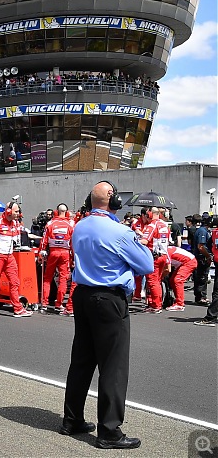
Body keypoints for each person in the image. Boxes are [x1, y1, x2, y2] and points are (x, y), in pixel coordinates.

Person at [62, 181, 153, 449]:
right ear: (111, 200)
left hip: (84, 295)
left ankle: (72, 419)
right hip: (110, 298)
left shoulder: (80, 226)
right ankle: (109, 431)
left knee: (81, 359)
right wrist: (139, 244)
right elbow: (146, 265)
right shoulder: (120, 231)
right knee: (113, 366)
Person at [0, 202, 33, 317]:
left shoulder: (15, 223)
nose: (18, 214)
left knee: (15, 282)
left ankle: (18, 308)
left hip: (9, 257)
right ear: (9, 211)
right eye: (16, 211)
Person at [39, 203, 75, 314]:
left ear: (56, 212)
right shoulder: (71, 224)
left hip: (53, 252)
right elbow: (73, 242)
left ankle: (44, 304)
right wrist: (73, 256)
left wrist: (42, 251)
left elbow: (44, 239)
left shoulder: (50, 223)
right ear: (67, 212)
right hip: (65, 253)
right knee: (63, 279)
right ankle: (59, 304)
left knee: (47, 278)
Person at [138, 207, 170, 313]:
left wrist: (134, 240)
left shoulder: (152, 225)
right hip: (163, 255)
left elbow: (144, 241)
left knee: (152, 281)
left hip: (154, 257)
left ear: (150, 214)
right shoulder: (164, 225)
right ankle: (155, 303)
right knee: (157, 281)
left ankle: (156, 305)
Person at [165, 245, 196, 311]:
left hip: (189, 262)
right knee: (172, 280)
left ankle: (180, 304)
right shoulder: (165, 249)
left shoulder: (166, 252)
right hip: (184, 262)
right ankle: (177, 300)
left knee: (178, 280)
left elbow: (168, 269)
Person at [193, 216, 212, 305]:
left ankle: (201, 296)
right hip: (201, 257)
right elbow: (200, 246)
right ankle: (201, 297)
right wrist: (208, 256)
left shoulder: (205, 231)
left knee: (202, 277)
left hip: (203, 257)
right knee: (202, 277)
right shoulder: (202, 231)